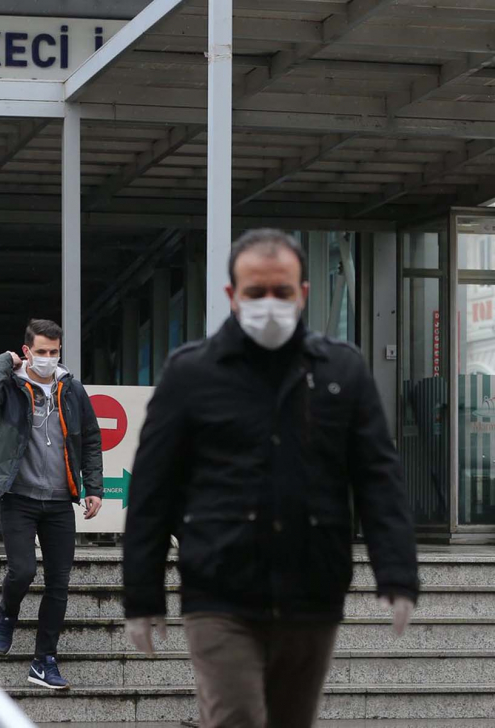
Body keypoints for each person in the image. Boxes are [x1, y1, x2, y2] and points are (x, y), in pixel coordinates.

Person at [122, 229, 419, 728]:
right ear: (231, 297)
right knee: (235, 718)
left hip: (312, 591)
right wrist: (142, 593)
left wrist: (398, 572)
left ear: (303, 292)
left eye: (282, 291)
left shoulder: (341, 370)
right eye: (255, 292)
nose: (269, 304)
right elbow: (152, 489)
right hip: (219, 591)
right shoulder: (191, 374)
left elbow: (377, 476)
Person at [0, 319, 104, 691]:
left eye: (54, 351)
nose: (48, 358)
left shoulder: (72, 389)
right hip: (19, 498)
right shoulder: (12, 386)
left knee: (59, 584)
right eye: (41, 351)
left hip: (60, 502)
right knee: (23, 572)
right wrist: (4, 362)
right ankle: (7, 614)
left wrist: (93, 486)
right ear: (27, 350)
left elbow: (90, 438)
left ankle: (44, 660)